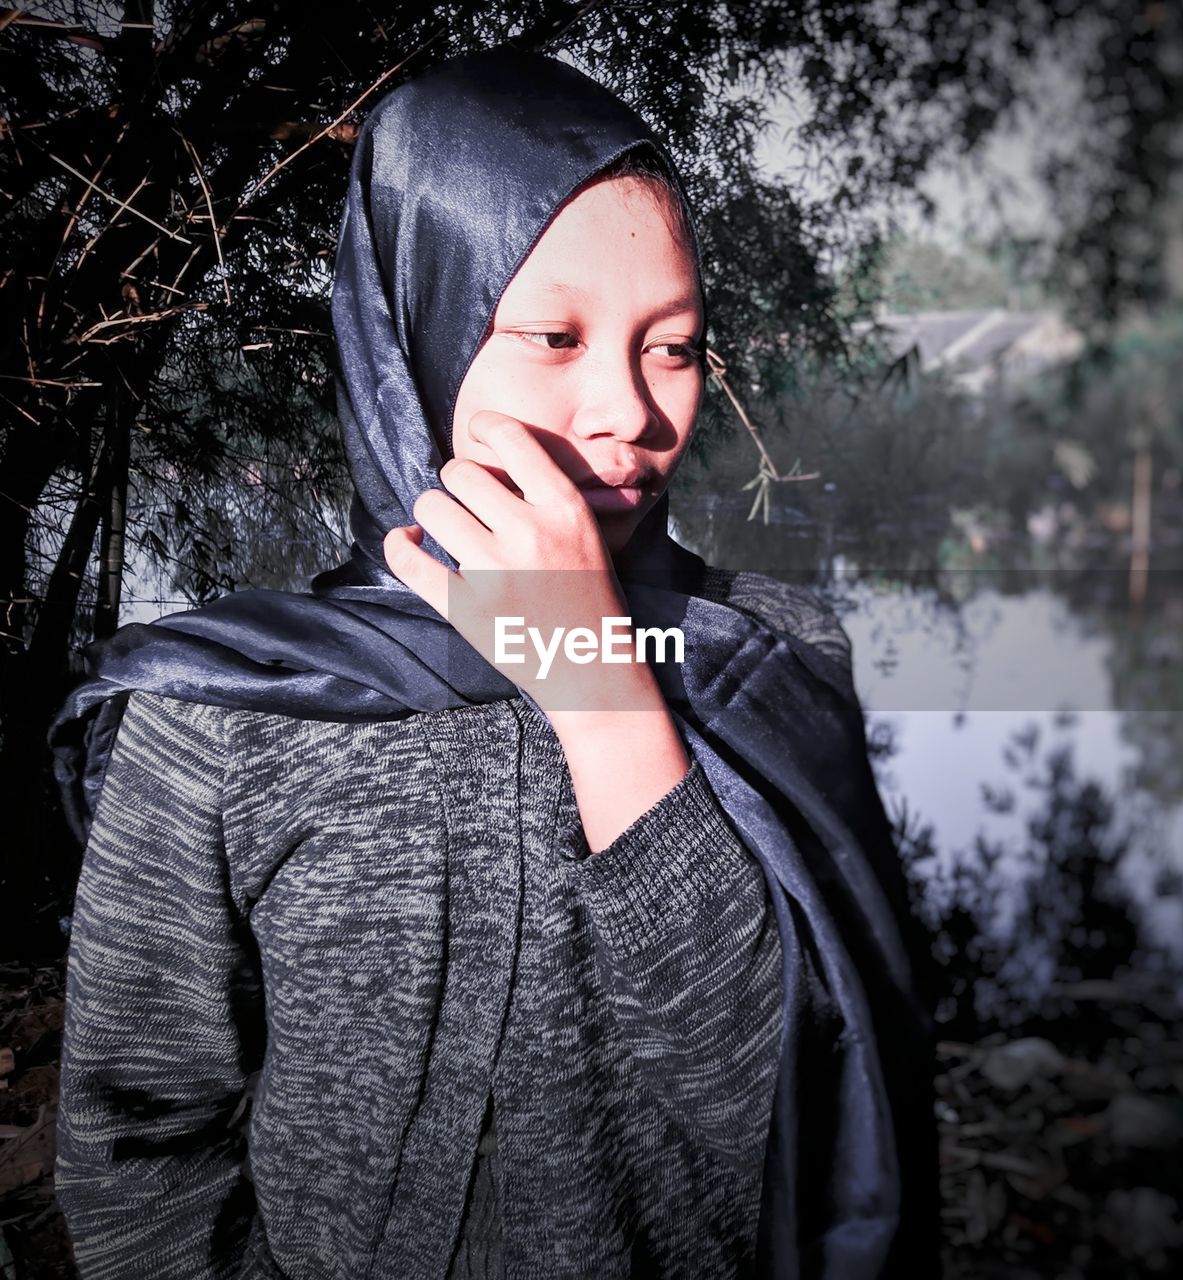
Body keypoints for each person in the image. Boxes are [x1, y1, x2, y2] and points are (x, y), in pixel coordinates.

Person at [50, 48, 939, 1279]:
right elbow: (139, 1146)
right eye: (554, 335)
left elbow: (794, 1116)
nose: (628, 411)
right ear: (414, 328)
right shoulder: (221, 708)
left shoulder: (771, 657)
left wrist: (599, 688)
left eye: (671, 346)